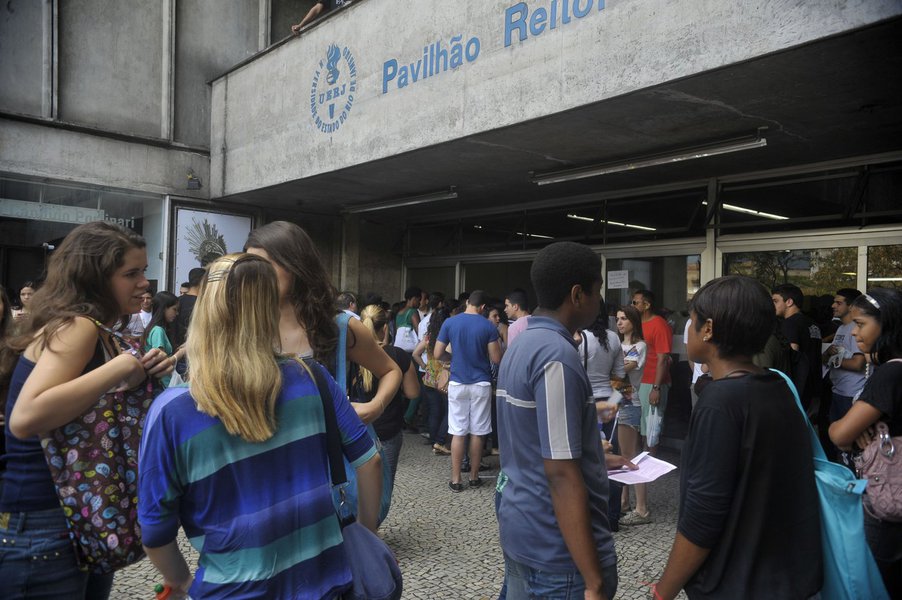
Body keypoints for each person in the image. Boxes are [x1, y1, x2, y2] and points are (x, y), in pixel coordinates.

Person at [138, 253, 382, 599]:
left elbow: (155, 532)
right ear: (270, 309)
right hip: (327, 582)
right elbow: (369, 460)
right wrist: (366, 534)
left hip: (233, 589)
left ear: (205, 310)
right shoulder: (313, 377)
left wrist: (182, 582)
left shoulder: (170, 412)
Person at [0, 221, 172, 599]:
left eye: (143, 271)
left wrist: (139, 371)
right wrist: (121, 367)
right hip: (48, 520)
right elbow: (26, 418)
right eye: (131, 273)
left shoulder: (86, 327)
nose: (145, 283)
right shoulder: (78, 326)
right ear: (94, 277)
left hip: (69, 520)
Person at [654, 276, 822, 600]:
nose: (688, 329)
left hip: (737, 584)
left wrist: (663, 591)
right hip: (787, 577)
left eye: (692, 320)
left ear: (708, 329)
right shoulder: (777, 386)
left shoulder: (720, 402)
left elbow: (703, 517)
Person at [496, 242, 634, 600]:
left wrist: (592, 453)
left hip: (523, 528)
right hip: (558, 554)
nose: (600, 300)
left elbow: (530, 437)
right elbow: (560, 473)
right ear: (577, 294)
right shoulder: (556, 355)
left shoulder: (522, 345)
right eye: (598, 290)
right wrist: (593, 580)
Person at [244, 221, 401, 425]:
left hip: (323, 450)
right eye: (250, 265)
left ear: (296, 264)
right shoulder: (242, 324)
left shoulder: (339, 327)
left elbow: (390, 370)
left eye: (267, 265)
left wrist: (375, 406)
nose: (257, 275)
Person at [829, 288, 902, 597]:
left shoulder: (891, 372)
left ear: (886, 324)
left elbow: (840, 435)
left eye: (861, 324)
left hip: (888, 499)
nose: (854, 332)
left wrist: (841, 427)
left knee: (876, 580)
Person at [434, 290, 501, 491]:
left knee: (457, 432)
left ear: (467, 303)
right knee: (478, 432)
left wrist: (452, 360)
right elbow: (496, 359)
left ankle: (456, 480)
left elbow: (438, 353)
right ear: (482, 308)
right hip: (481, 383)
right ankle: (473, 476)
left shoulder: (450, 322)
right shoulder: (487, 326)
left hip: (457, 383)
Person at [352, 304, 420, 491]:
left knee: (356, 486)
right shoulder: (397, 355)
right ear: (384, 329)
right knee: (383, 489)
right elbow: (413, 392)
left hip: (356, 429)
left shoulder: (349, 356)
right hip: (388, 430)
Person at [621, 289, 672, 526]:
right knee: (631, 443)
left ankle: (644, 488)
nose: (633, 305)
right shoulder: (628, 338)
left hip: (651, 382)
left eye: (636, 302)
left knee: (649, 434)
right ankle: (624, 500)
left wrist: (657, 387)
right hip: (627, 392)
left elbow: (662, 357)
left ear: (647, 304)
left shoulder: (658, 325)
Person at [615, 304, 647, 515]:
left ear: (634, 322)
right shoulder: (617, 345)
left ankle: (641, 507)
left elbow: (622, 369)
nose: (619, 322)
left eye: (624, 318)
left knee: (630, 455)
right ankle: (623, 501)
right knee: (620, 454)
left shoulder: (640, 345)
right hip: (615, 400)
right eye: (617, 318)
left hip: (628, 400)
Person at [772, 283, 822, 410]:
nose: (772, 305)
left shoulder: (790, 324)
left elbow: (791, 355)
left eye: (775, 301)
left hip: (798, 386)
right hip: (814, 386)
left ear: (789, 302)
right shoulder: (812, 323)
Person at [822, 288, 866, 428]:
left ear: (851, 306)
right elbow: (827, 358)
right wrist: (828, 353)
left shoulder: (857, 328)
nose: (833, 306)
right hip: (838, 389)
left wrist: (832, 360)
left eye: (838, 303)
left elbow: (858, 363)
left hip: (851, 393)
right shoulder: (841, 328)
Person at [412, 307, 452, 454]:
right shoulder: (447, 335)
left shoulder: (428, 336)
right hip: (444, 377)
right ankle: (440, 441)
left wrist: (425, 366)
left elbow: (416, 353)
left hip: (429, 377)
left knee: (434, 411)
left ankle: (434, 439)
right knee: (447, 411)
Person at [141, 291, 183, 388]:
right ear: (164, 309)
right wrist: (181, 353)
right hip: (164, 383)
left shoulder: (158, 328)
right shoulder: (158, 331)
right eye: (174, 309)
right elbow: (161, 364)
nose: (176, 313)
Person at [173, 267, 205, 348]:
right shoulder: (204, 304)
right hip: (198, 350)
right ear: (203, 281)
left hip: (178, 349)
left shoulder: (177, 301)